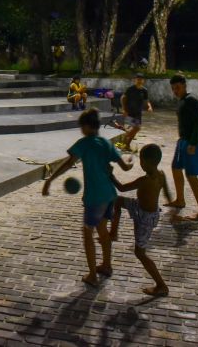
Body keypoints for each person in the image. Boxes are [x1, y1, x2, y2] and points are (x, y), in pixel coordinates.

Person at [42, 108, 134, 287]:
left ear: (86, 126)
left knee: (87, 234)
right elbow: (124, 167)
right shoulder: (106, 143)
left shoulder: (83, 143)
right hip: (109, 195)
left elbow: (69, 163)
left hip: (94, 197)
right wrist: (130, 160)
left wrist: (50, 180)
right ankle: (107, 265)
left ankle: (92, 274)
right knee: (102, 231)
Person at [108, 144, 172, 296]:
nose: (141, 164)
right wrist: (173, 211)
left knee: (140, 253)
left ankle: (161, 285)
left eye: (142, 161)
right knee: (117, 201)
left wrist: (110, 175)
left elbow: (122, 187)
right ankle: (113, 233)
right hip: (141, 208)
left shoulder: (144, 180)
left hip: (145, 218)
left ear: (147, 162)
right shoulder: (161, 175)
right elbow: (167, 193)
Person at [165, 74, 198, 222]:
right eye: (173, 89)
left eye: (177, 87)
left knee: (191, 176)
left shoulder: (191, 100)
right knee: (175, 168)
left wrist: (193, 143)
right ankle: (180, 200)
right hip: (182, 141)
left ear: (184, 85)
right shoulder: (182, 101)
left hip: (192, 142)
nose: (175, 91)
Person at [117, 73, 153, 151]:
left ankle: (127, 145)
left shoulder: (144, 90)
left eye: (141, 79)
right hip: (129, 112)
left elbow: (146, 101)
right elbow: (123, 98)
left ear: (143, 81)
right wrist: (124, 109)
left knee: (135, 130)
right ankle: (125, 138)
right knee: (137, 128)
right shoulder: (130, 89)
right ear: (135, 80)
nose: (139, 81)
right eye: (138, 79)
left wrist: (149, 106)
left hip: (138, 113)